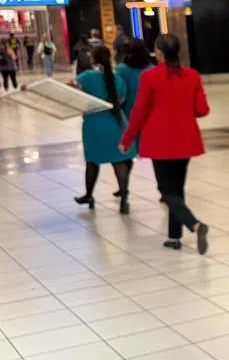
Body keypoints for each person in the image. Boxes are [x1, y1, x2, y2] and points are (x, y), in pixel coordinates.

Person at [119, 34, 211, 254]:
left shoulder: (149, 77)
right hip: (186, 140)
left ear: (159, 53)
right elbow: (202, 110)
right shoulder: (192, 76)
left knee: (166, 190)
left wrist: (127, 139)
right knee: (177, 189)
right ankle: (174, 236)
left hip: (160, 142)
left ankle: (195, 224)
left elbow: (139, 112)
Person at [72, 45, 136, 214]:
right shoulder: (117, 79)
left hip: (94, 125)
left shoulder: (86, 77)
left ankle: (89, 195)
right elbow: (121, 99)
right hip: (116, 123)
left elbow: (71, 89)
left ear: (93, 59)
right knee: (119, 161)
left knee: (92, 162)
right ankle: (124, 198)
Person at [111, 38, 153, 200]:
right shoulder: (151, 69)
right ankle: (165, 190)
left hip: (129, 116)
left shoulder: (122, 70)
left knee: (126, 155)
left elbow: (119, 93)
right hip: (150, 116)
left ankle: (124, 187)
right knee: (157, 155)